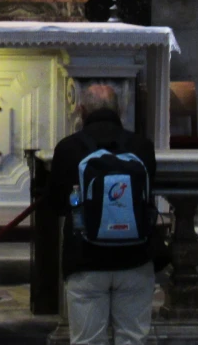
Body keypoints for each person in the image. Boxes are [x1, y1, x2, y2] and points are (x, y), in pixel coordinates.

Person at [46, 83, 157, 345]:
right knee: (132, 339)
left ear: (81, 110)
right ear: (120, 109)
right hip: (135, 258)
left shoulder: (68, 148)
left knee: (87, 341)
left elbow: (56, 204)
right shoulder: (141, 146)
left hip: (86, 259)